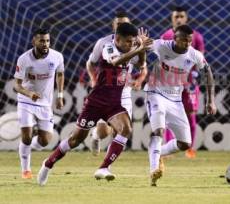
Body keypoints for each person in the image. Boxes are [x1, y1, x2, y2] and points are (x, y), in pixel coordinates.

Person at [37, 22, 152, 186]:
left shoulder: (132, 49)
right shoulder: (108, 47)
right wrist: (138, 49)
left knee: (126, 129)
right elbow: (116, 62)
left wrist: (142, 49)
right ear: (117, 39)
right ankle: (48, 163)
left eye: (133, 41)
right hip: (96, 102)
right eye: (128, 41)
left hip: (114, 104)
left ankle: (104, 167)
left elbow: (141, 65)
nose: (130, 44)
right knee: (75, 140)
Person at [145, 25, 216, 186]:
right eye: (184, 40)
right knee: (159, 130)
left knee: (185, 144)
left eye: (190, 41)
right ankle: (154, 169)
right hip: (155, 94)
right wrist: (141, 45)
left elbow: (208, 72)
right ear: (175, 39)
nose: (187, 44)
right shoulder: (162, 46)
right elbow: (143, 47)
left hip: (175, 100)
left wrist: (211, 100)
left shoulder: (194, 55)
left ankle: (157, 153)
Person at [87, 12, 147, 156]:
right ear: (113, 26)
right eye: (118, 24)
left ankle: (106, 166)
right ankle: (95, 135)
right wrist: (93, 79)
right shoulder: (103, 43)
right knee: (103, 131)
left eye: (124, 23)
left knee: (121, 132)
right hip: (105, 90)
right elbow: (90, 63)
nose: (121, 26)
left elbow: (142, 66)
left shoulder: (135, 42)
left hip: (124, 91)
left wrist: (139, 80)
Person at [14, 28, 64, 179]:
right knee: (27, 136)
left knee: (45, 141)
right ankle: (26, 170)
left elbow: (60, 74)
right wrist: (29, 94)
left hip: (44, 103)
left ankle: (26, 148)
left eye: (47, 41)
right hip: (26, 101)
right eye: (42, 40)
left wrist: (60, 95)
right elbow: (17, 85)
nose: (45, 44)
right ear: (34, 41)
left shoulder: (57, 57)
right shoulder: (24, 59)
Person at [161, 6, 205, 158]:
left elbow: (200, 60)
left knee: (190, 113)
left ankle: (189, 148)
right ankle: (169, 149)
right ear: (172, 19)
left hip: (189, 81)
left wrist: (192, 74)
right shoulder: (166, 36)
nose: (179, 19)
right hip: (171, 82)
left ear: (186, 18)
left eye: (181, 16)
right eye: (176, 17)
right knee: (168, 114)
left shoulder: (196, 37)